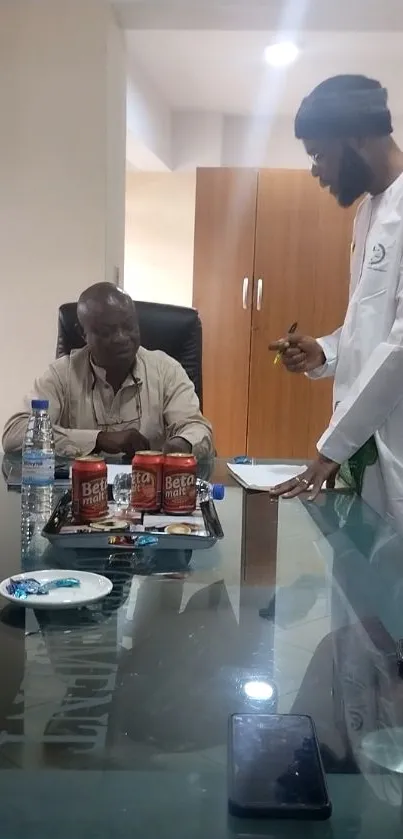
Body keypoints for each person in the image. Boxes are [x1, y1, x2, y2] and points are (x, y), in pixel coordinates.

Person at [269, 75, 403, 528]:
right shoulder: (370, 212)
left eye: (318, 153)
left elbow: (400, 348)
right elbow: (369, 327)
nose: (315, 170)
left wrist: (331, 447)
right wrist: (324, 350)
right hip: (363, 444)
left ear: (359, 137)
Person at [3, 283, 214, 460]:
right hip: (81, 496)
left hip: (150, 495)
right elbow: (15, 433)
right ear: (82, 333)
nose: (122, 338)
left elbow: (198, 428)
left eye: (129, 326)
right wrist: (99, 439)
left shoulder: (166, 370)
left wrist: (181, 444)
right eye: (107, 331)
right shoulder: (62, 375)